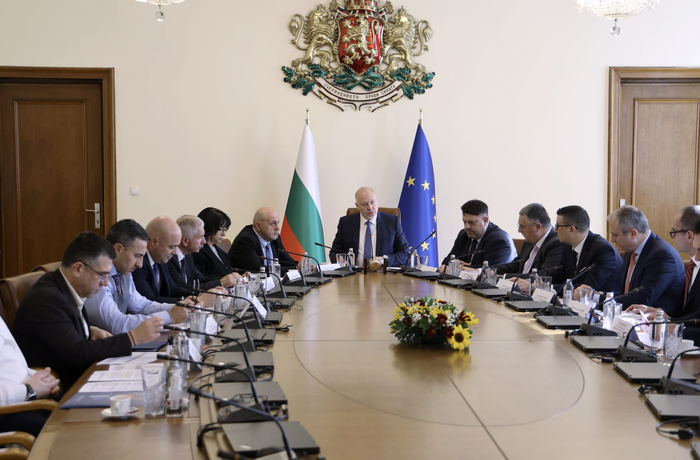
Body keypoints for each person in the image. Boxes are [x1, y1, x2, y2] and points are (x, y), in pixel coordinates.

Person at [13, 232, 164, 390]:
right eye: (102, 276)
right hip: (61, 386)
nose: (105, 283)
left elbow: (62, 328)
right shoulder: (48, 299)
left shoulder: (62, 284)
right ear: (78, 269)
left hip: (78, 374)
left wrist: (87, 328)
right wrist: (132, 338)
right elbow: (77, 354)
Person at [84, 219, 190, 335]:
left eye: (142, 256)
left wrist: (181, 307)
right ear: (118, 249)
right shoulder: (97, 276)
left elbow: (142, 305)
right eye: (137, 256)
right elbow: (116, 324)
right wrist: (170, 317)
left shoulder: (124, 271)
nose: (140, 264)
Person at [577, 206, 683, 311]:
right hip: (629, 316)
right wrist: (595, 294)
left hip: (655, 319)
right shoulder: (631, 250)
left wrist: (594, 298)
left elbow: (642, 299)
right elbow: (626, 294)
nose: (612, 239)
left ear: (633, 234)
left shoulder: (661, 255)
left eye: (615, 235)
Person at [628, 219, 700, 345]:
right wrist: (660, 314)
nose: (696, 257)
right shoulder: (694, 267)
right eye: (697, 249)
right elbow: (689, 315)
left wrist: (670, 328)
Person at [0, 316, 60, 437]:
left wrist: (42, 380)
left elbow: (11, 362)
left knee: (78, 407)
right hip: (7, 412)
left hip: (24, 399)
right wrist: (29, 390)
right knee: (59, 431)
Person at [329, 187, 410, 266]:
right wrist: (341, 261)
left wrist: (385, 260)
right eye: (364, 204)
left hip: (383, 273)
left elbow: (405, 254)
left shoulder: (392, 222)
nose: (370, 207)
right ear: (357, 206)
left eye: (373, 202)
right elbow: (334, 252)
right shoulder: (346, 223)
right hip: (354, 273)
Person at [550, 205, 622, 292]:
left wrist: (548, 288)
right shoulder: (568, 247)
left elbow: (587, 287)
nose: (555, 230)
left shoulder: (603, 250)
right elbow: (559, 276)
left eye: (557, 226)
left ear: (571, 229)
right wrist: (542, 282)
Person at [497, 203, 563, 292]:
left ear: (537, 227)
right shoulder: (530, 239)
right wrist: (491, 270)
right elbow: (517, 264)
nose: (519, 230)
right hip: (518, 290)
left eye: (522, 227)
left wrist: (504, 277)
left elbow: (543, 276)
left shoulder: (557, 243)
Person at [133, 216, 198, 303]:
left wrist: (197, 295)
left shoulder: (160, 258)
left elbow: (173, 289)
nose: (175, 252)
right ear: (154, 242)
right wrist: (185, 302)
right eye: (172, 247)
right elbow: (149, 301)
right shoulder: (138, 264)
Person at [168, 215, 241, 291]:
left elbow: (201, 279)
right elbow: (182, 289)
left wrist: (227, 279)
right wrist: (221, 283)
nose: (204, 241)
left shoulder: (188, 255)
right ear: (185, 240)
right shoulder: (170, 259)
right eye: (200, 237)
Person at [440, 199, 516, 272]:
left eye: (471, 222)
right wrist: (453, 264)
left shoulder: (499, 240)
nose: (466, 227)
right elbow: (446, 262)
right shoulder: (463, 235)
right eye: (464, 222)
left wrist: (457, 267)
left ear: (485, 220)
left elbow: (488, 271)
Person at [228, 207, 298, 275]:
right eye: (272, 223)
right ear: (258, 226)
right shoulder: (245, 240)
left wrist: (300, 266)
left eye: (278, 222)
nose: (277, 228)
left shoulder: (274, 238)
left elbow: (288, 262)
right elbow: (260, 271)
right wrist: (296, 269)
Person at [193, 207, 237, 278]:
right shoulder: (198, 252)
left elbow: (228, 270)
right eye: (220, 230)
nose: (224, 234)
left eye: (225, 230)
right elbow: (201, 278)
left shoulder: (219, 251)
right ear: (209, 228)